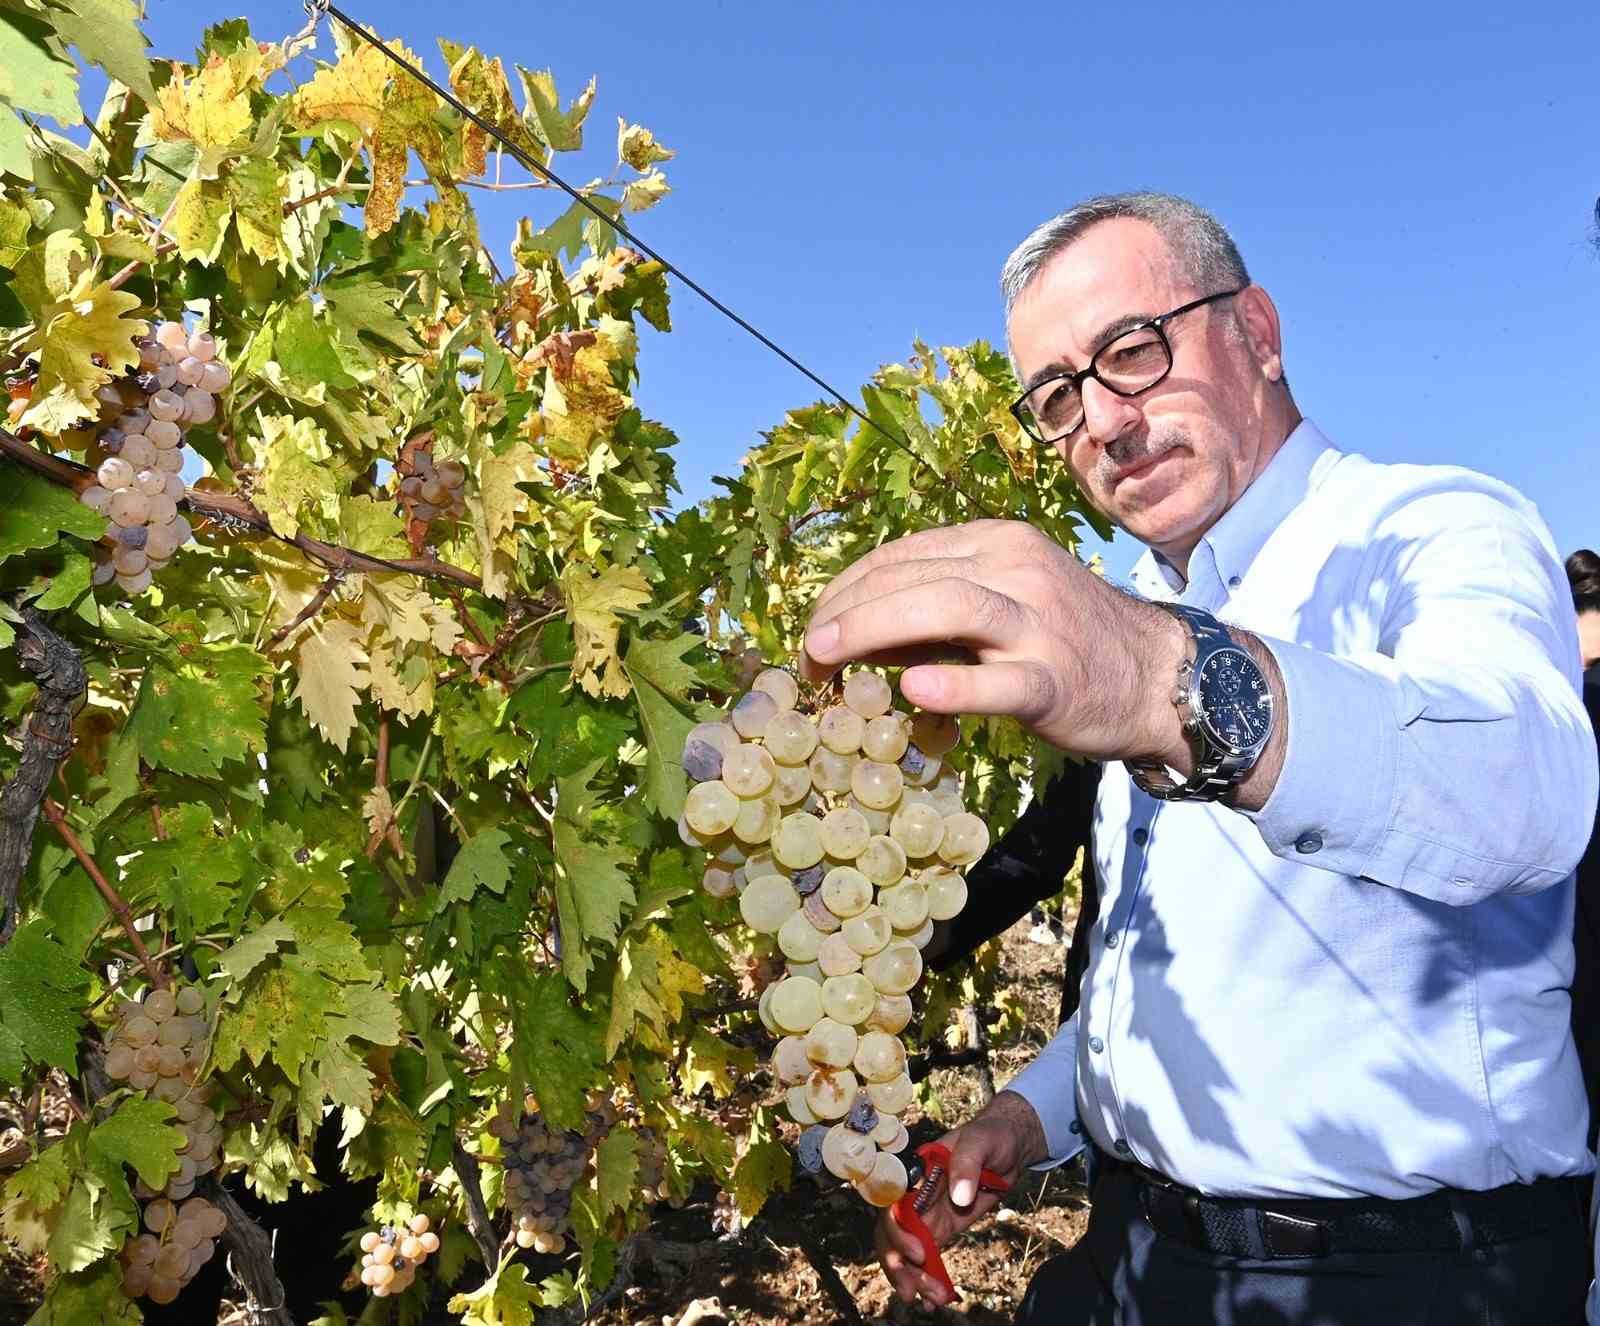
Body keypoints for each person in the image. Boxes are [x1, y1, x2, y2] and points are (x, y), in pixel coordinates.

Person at [800, 192, 1599, 1324]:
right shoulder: (1146, 611)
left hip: (1398, 1282)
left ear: (1258, 333)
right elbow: (1182, 980)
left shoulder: (1430, 529)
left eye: (1133, 349)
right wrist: (1025, 1119)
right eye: (1057, 396)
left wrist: (1162, 681)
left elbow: (1525, 794)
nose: (1106, 421)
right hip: (1137, 1256)